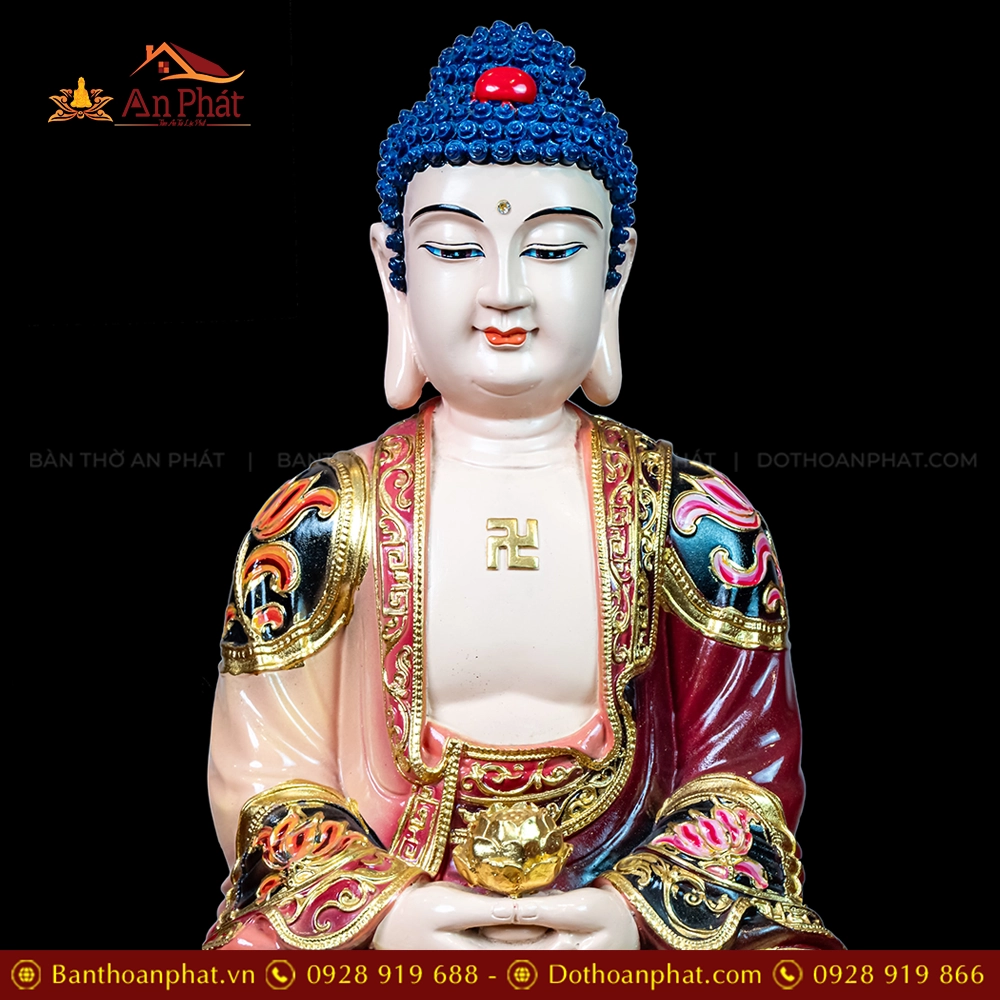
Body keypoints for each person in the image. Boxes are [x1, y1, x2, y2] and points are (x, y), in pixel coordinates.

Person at [204, 21, 841, 951]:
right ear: (393, 273)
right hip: (392, 908)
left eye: (552, 250)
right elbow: (267, 778)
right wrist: (384, 911)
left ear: (616, 273)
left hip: (624, 911)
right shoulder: (320, 520)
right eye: (455, 250)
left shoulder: (698, 518)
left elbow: (746, 775)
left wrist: (635, 908)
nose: (504, 292)